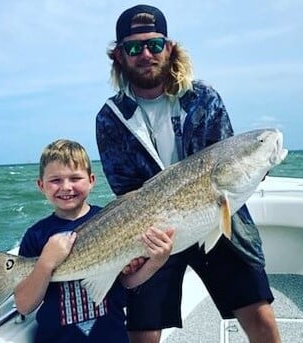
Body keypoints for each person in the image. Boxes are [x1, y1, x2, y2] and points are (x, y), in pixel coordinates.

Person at [96, 4, 282, 343]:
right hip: (152, 230)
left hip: (219, 214)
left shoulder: (204, 98)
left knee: (261, 318)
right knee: (142, 335)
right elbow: (125, 189)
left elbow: (229, 160)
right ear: (120, 56)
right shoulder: (109, 118)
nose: (146, 53)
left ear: (169, 48)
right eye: (134, 47)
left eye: (154, 44)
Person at [14, 139, 174, 343]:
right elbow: (24, 305)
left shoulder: (116, 219)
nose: (66, 187)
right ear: (41, 185)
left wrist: (156, 261)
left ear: (91, 180)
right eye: (55, 180)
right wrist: (46, 262)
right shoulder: (36, 235)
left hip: (111, 336)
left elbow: (127, 281)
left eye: (75, 178)